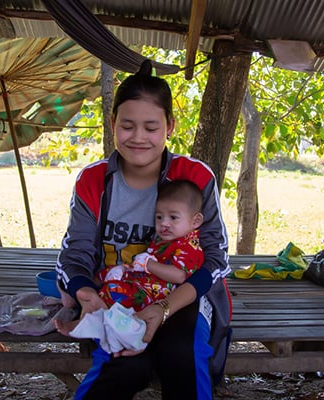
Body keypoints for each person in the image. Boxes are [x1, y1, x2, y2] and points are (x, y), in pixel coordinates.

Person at [54, 60, 232, 400]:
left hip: (183, 300)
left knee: (179, 354)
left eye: (151, 127)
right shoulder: (93, 181)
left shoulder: (195, 178)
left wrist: (164, 309)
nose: (138, 138)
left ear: (170, 126)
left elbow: (216, 259)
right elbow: (74, 254)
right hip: (119, 298)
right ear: (112, 124)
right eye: (127, 126)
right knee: (125, 365)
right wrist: (83, 292)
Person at [98, 179, 205, 312]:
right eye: (159, 217)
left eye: (173, 217)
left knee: (112, 292)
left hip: (154, 294)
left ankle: (95, 313)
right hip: (140, 280)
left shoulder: (189, 246)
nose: (164, 223)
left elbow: (179, 276)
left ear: (196, 221)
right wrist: (125, 269)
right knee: (102, 275)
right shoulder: (164, 240)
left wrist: (148, 264)